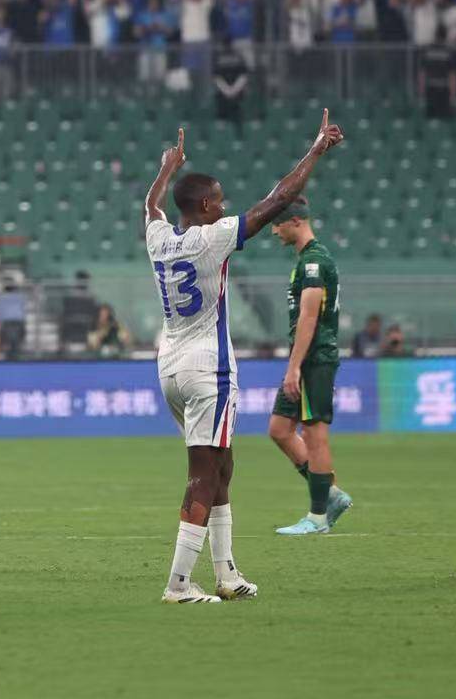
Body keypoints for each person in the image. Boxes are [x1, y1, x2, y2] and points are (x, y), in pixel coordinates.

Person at [146, 116, 343, 603]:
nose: (225, 205)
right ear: (207, 206)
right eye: (220, 199)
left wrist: (167, 169)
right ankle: (178, 584)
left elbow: (150, 205)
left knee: (222, 465)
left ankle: (227, 574)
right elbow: (277, 200)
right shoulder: (211, 239)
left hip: (169, 364)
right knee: (204, 472)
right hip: (207, 366)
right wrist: (316, 150)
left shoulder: (159, 239)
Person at [267, 199, 355, 535]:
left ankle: (318, 517)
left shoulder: (315, 262)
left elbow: (309, 316)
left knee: (314, 434)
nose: (274, 231)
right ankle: (330, 493)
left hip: (315, 358)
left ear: (296, 221)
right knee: (279, 428)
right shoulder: (306, 260)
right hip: (307, 357)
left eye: (278, 224)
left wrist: (294, 367)